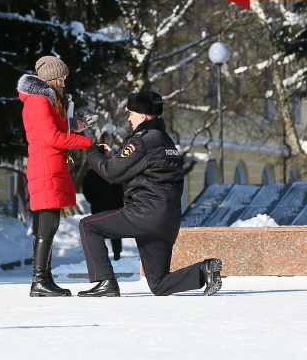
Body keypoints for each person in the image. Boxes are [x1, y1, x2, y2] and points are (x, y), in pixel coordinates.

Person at [77, 90, 223, 297]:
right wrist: (112, 157)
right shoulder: (165, 141)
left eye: (131, 114)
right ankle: (203, 271)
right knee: (159, 284)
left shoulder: (142, 141)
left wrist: (92, 152)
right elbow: (141, 172)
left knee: (88, 226)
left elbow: (111, 173)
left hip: (143, 215)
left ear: (143, 116)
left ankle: (105, 282)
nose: (129, 118)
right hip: (167, 221)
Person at [17, 55, 93, 297]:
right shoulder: (38, 102)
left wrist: (73, 124)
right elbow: (53, 138)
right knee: (48, 226)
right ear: (50, 79)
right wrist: (87, 143)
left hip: (50, 166)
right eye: (60, 79)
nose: (63, 83)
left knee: (45, 226)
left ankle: (44, 278)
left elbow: (52, 128)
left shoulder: (44, 101)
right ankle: (39, 281)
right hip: (46, 168)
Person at [81, 145, 124, 261]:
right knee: (99, 232)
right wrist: (94, 201)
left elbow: (121, 186)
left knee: (115, 232)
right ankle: (101, 257)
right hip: (99, 206)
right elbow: (86, 190)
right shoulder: (91, 173)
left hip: (114, 206)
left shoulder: (114, 169)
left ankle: (117, 255)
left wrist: (119, 200)